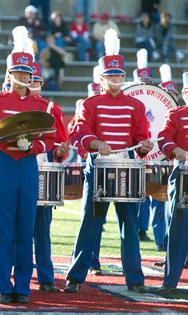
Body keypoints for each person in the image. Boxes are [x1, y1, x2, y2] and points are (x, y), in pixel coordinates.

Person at [66, 29, 153, 294]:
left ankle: (135, 279)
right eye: (110, 75)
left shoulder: (135, 105)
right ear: (102, 78)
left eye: (118, 75)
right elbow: (78, 132)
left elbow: (141, 137)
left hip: (126, 167)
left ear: (124, 77)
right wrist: (96, 143)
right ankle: (75, 277)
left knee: (130, 224)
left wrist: (144, 146)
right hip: (99, 168)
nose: (115, 79)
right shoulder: (91, 103)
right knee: (89, 223)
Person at [0, 26, 56, 303]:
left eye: (26, 74)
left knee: (26, 225)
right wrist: (3, 137)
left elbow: (51, 139)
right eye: (17, 73)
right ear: (9, 74)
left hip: (29, 164)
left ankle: (22, 286)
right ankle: (3, 284)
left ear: (32, 76)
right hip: (5, 163)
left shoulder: (42, 104)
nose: (22, 78)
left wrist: (33, 146)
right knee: (4, 226)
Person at [28, 61, 70, 292]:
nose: (33, 85)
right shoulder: (11, 105)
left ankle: (46, 278)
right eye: (29, 80)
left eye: (36, 81)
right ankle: (11, 275)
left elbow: (59, 143)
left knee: (42, 228)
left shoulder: (51, 108)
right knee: (14, 228)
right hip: (17, 168)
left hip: (43, 171)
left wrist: (60, 151)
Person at [156, 71, 188, 293]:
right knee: (178, 228)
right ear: (185, 93)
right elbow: (163, 138)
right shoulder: (176, 115)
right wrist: (175, 149)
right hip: (185, 175)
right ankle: (170, 281)